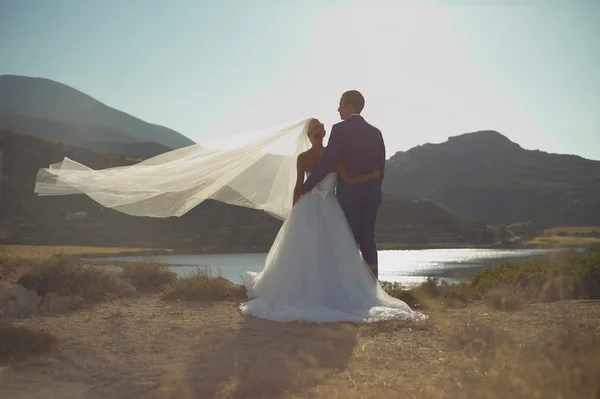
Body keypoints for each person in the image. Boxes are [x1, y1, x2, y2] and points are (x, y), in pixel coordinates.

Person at [240, 117, 425, 323]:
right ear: (315, 135)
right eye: (316, 128)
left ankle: (310, 291)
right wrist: (372, 175)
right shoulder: (329, 156)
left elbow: (301, 188)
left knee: (311, 251)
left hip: (310, 207)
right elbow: (346, 180)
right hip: (324, 207)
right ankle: (325, 292)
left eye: (317, 127)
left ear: (313, 135)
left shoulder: (310, 157)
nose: (318, 130)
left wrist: (295, 210)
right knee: (323, 250)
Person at [302, 91, 384, 279]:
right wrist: (374, 189)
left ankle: (351, 285)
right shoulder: (376, 132)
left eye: (341, 104)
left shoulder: (339, 129)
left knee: (350, 240)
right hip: (372, 194)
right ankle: (372, 285)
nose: (338, 109)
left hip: (350, 195)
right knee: (369, 240)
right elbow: (382, 166)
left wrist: (307, 185)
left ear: (350, 106)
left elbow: (327, 162)